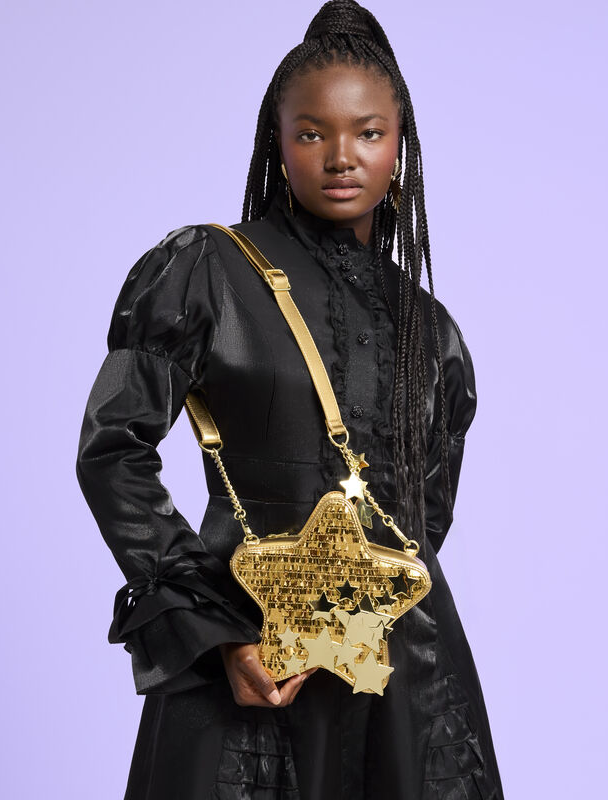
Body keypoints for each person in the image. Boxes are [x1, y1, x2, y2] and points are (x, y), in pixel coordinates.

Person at [75, 1, 505, 797]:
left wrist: (356, 614)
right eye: (313, 133)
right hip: (246, 666)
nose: (342, 156)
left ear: (400, 147)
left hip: (403, 684)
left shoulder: (429, 331)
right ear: (279, 142)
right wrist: (215, 631)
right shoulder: (208, 270)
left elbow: (423, 518)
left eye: (369, 133)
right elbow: (112, 453)